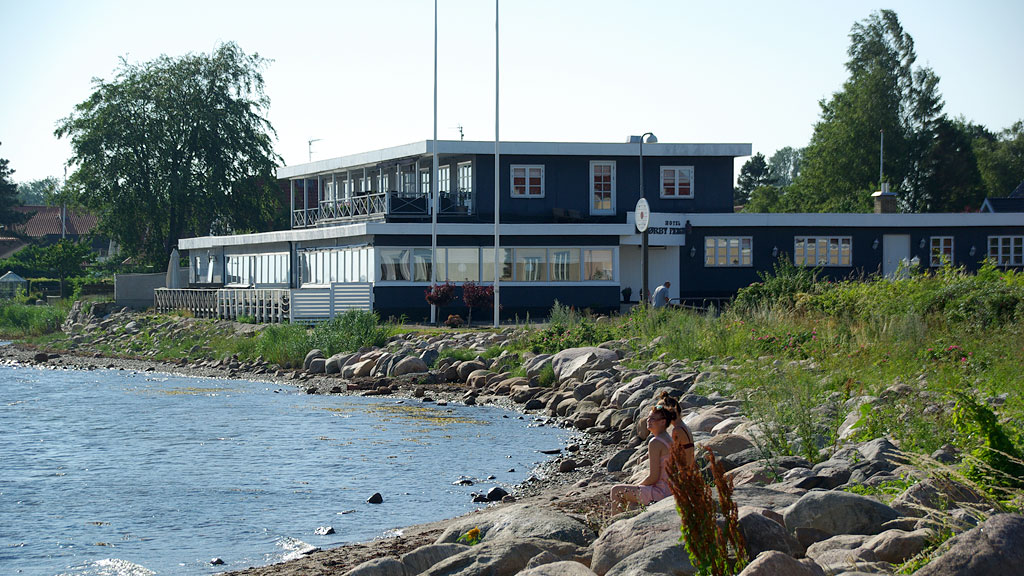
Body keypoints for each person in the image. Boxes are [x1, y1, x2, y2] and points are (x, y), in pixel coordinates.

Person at [610, 404, 676, 513]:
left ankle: (615, 523)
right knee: (632, 500)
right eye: (648, 418)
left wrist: (637, 485)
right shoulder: (668, 438)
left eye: (653, 419)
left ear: (663, 422)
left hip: (661, 493)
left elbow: (653, 477)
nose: (648, 421)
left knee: (616, 490)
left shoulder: (655, 442)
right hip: (670, 489)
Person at [659, 391, 696, 469]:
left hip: (684, 472)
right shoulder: (684, 427)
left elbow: (673, 455)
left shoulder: (677, 430)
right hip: (690, 470)